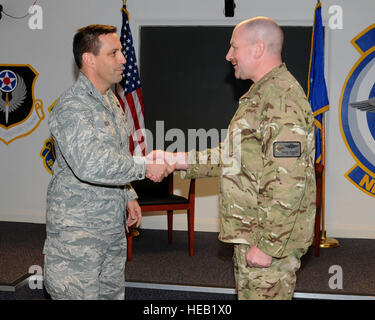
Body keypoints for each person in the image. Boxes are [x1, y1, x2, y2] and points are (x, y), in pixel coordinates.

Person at [153, 17, 316, 300]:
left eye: (234, 47)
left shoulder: (281, 100)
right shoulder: (261, 95)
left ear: (258, 48)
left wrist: (267, 245)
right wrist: (174, 159)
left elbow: (288, 182)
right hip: (254, 233)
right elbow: (231, 156)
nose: (229, 56)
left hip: (267, 242)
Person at [43, 24, 173, 300]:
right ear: (89, 59)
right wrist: (145, 166)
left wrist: (128, 194)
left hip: (111, 229)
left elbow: (116, 153)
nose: (123, 59)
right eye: (114, 52)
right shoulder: (72, 107)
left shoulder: (111, 102)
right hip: (79, 239)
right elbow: (91, 164)